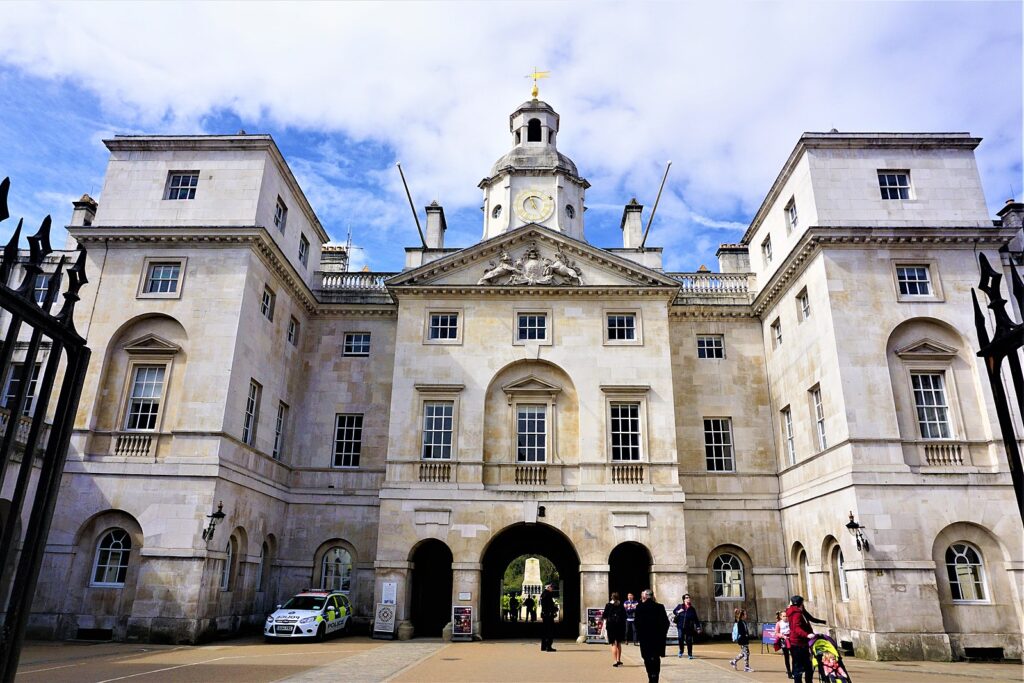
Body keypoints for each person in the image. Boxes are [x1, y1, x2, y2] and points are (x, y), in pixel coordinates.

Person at [634, 589, 669, 683]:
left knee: (647, 658)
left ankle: (650, 676)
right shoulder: (660, 607)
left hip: (645, 639)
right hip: (657, 639)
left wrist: (639, 635)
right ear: (653, 596)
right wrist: (662, 634)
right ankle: (655, 677)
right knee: (656, 659)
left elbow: (636, 623)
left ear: (645, 597)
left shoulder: (639, 607)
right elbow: (666, 623)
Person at [786, 595, 819, 683]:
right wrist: (807, 635)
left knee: (804, 667)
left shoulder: (796, 611)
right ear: (801, 603)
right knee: (802, 668)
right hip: (799, 644)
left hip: (799, 643)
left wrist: (822, 621)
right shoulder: (797, 613)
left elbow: (810, 619)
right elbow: (797, 628)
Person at [601, 592, 628, 667]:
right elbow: (625, 616)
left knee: (613, 643)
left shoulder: (608, 605)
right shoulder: (621, 605)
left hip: (611, 626)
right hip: (620, 626)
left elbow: (604, 615)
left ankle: (615, 660)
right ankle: (619, 660)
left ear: (611, 597)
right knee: (618, 643)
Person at [671, 593, 700, 659]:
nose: (688, 599)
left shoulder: (692, 609)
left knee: (689, 640)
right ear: (684, 599)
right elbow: (674, 611)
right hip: (680, 626)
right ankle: (681, 650)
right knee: (680, 638)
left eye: (689, 597)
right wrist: (678, 611)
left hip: (689, 627)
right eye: (686, 597)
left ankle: (690, 654)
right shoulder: (680, 606)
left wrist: (698, 627)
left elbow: (696, 619)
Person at [728, 607, 754, 672]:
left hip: (745, 639)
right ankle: (746, 667)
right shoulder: (739, 622)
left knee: (743, 653)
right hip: (742, 640)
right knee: (747, 653)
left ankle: (734, 661)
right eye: (745, 614)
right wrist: (745, 635)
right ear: (742, 615)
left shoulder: (743, 622)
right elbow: (740, 631)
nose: (746, 615)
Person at [774, 610, 792, 679]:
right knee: (786, 656)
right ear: (781, 617)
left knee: (794, 655)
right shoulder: (779, 623)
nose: (785, 617)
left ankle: (794, 670)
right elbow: (776, 633)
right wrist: (782, 636)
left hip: (791, 638)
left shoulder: (790, 622)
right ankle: (789, 671)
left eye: (786, 616)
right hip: (784, 640)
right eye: (784, 616)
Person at [540, 583, 557, 652]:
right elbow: (549, 605)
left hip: (544, 614)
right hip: (549, 615)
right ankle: (548, 646)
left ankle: (543, 646)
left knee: (545, 631)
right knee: (549, 631)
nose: (552, 588)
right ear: (548, 587)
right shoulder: (548, 594)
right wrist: (555, 609)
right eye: (551, 587)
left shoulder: (543, 594)